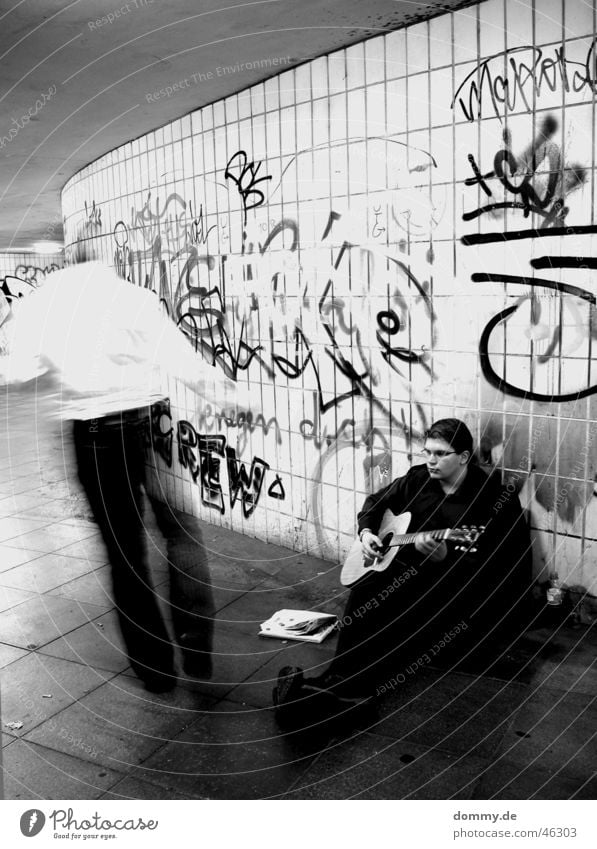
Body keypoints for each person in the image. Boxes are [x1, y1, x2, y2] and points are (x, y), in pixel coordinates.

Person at [2, 258, 244, 693]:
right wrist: (230, 396)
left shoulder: (43, 306)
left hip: (96, 436)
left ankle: (155, 668)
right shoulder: (133, 298)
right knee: (181, 531)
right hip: (150, 425)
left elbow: (15, 369)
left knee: (126, 550)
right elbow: (180, 361)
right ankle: (195, 642)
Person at [273, 418, 532, 719]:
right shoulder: (418, 479)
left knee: (391, 614)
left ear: (463, 457)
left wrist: (446, 559)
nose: (431, 461)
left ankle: (342, 692)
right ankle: (337, 684)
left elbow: (499, 565)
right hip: (406, 570)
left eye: (440, 454)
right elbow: (376, 502)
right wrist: (368, 533)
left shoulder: (491, 498)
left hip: (453, 593)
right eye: (427, 452)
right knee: (366, 592)